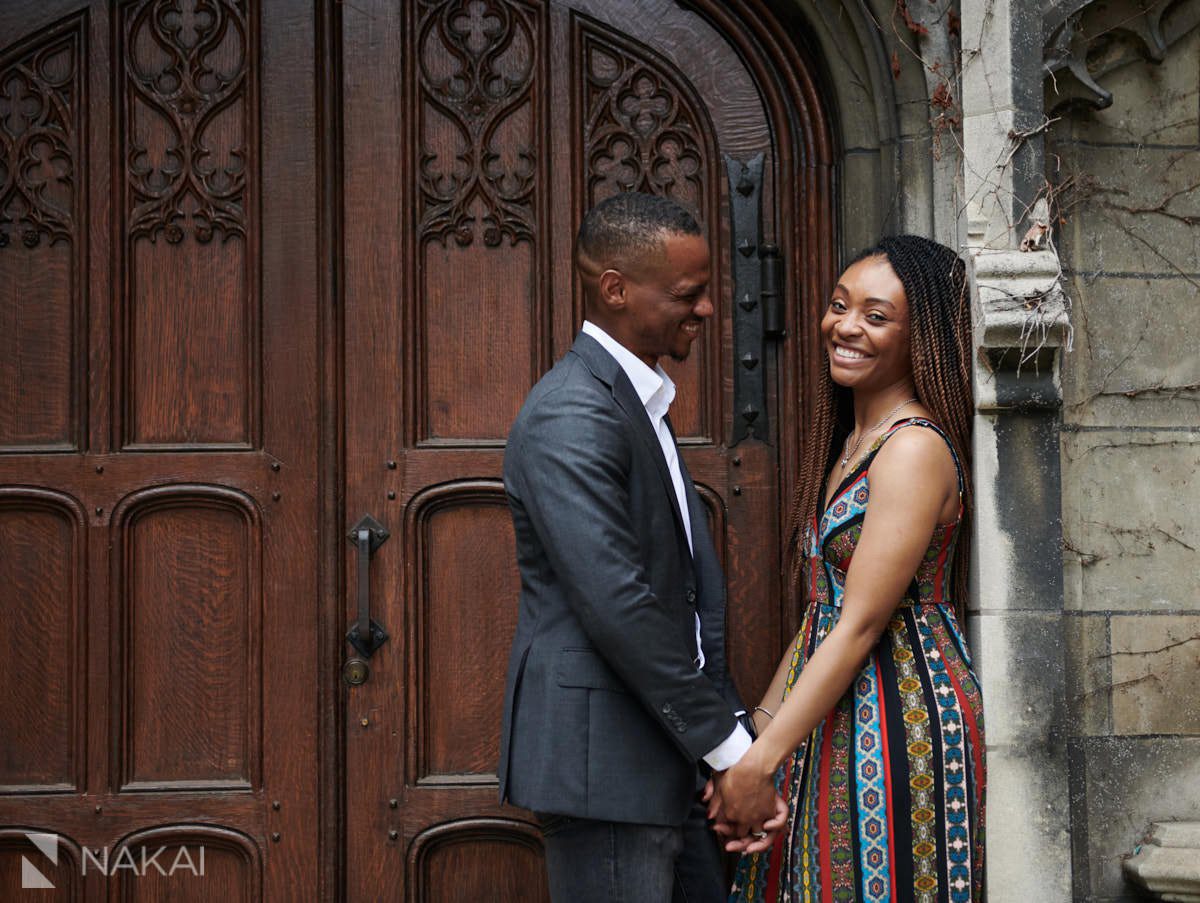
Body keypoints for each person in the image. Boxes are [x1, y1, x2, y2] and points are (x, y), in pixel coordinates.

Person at [498, 192, 785, 903]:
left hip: (665, 756)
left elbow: (683, 600)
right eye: (688, 293)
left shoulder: (636, 399)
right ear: (616, 290)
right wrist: (733, 753)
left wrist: (722, 754)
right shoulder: (573, 410)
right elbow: (620, 604)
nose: (709, 309)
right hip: (607, 771)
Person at [709, 235, 986, 902]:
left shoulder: (912, 448)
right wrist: (763, 728)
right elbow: (823, 611)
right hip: (834, 704)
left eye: (875, 315)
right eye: (839, 306)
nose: (846, 326)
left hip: (897, 715)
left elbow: (861, 622)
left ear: (921, 336)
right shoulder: (853, 441)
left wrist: (761, 761)